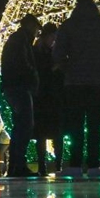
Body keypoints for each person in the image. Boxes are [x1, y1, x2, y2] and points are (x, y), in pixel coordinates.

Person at [53, 0, 100, 177]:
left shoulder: (68, 25)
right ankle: (93, 165)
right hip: (97, 81)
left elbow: (57, 54)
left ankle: (75, 165)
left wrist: (70, 67)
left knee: (75, 125)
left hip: (74, 83)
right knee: (94, 125)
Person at [1, 14, 41, 177]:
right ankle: (19, 165)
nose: (37, 31)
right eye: (36, 27)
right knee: (25, 125)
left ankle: (15, 165)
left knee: (20, 126)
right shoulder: (21, 40)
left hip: (13, 86)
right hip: (19, 87)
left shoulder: (17, 39)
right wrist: (33, 76)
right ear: (30, 25)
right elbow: (23, 63)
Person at [33, 23, 65, 176]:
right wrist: (53, 68)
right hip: (42, 98)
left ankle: (58, 165)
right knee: (42, 134)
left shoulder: (53, 52)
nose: (54, 40)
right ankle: (42, 166)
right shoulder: (38, 52)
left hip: (54, 97)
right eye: (52, 36)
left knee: (57, 134)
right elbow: (38, 72)